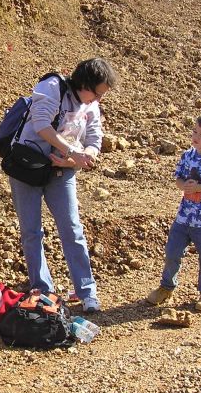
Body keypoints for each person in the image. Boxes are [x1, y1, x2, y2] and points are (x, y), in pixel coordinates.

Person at [7, 58, 118, 313]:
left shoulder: (91, 105)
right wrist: (71, 151)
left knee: (72, 229)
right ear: (84, 83)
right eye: (97, 92)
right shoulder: (52, 87)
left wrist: (81, 157)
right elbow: (41, 124)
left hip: (62, 171)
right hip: (28, 168)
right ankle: (42, 291)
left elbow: (94, 138)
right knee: (32, 232)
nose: (97, 100)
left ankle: (86, 292)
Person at [146, 112, 201, 312]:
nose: (196, 137)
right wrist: (185, 186)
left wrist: (199, 188)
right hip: (185, 216)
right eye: (195, 132)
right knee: (172, 252)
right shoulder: (187, 156)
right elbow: (178, 180)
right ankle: (166, 287)